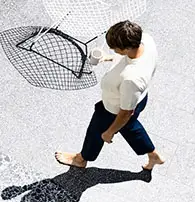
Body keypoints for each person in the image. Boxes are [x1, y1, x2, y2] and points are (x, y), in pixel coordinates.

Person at [55, 20, 164, 171]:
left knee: (96, 131)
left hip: (114, 110)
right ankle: (153, 155)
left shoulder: (131, 79)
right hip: (139, 98)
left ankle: (81, 159)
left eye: (115, 49)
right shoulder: (145, 40)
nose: (113, 50)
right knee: (130, 128)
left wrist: (109, 133)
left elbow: (125, 113)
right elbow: (128, 59)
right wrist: (109, 57)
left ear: (126, 48)